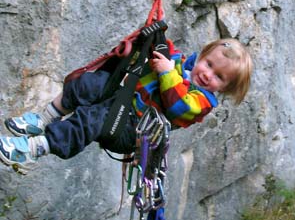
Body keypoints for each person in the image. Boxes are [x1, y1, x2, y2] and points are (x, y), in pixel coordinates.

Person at [0, 37, 252, 173]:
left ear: (224, 88)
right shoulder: (180, 63)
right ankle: (42, 120)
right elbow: (167, 53)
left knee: (93, 119)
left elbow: (178, 106)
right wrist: (155, 35)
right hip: (123, 99)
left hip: (130, 128)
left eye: (219, 77)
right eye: (209, 64)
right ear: (202, 56)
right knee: (89, 84)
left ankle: (33, 149)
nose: (208, 75)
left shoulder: (202, 102)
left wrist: (166, 72)